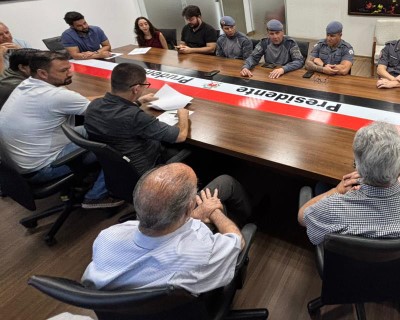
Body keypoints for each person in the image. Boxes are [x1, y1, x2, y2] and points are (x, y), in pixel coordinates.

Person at [82, 163, 252, 294]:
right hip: (192, 303)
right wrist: (214, 211)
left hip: (130, 310)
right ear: (189, 208)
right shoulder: (201, 254)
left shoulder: (107, 237)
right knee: (226, 183)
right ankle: (253, 215)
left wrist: (194, 215)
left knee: (223, 184)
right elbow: (237, 240)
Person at [0, 51, 123, 209]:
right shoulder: (55, 96)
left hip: (18, 166)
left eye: (69, 68)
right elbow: (107, 113)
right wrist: (133, 101)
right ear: (42, 73)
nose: (70, 73)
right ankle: (96, 196)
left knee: (95, 128)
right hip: (43, 169)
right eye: (64, 70)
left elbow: (88, 105)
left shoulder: (26, 85)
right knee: (120, 140)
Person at [298, 122, 400, 245]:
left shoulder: (332, 208)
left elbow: (302, 216)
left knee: (321, 186)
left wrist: (337, 190)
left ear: (358, 169)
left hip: (349, 265)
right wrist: (390, 176)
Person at [84, 63, 190, 175]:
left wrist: (139, 101)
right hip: (146, 171)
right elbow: (180, 136)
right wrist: (183, 116)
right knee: (194, 152)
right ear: (136, 89)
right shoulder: (135, 117)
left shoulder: (93, 106)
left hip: (117, 170)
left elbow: (118, 114)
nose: (145, 88)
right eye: (145, 85)